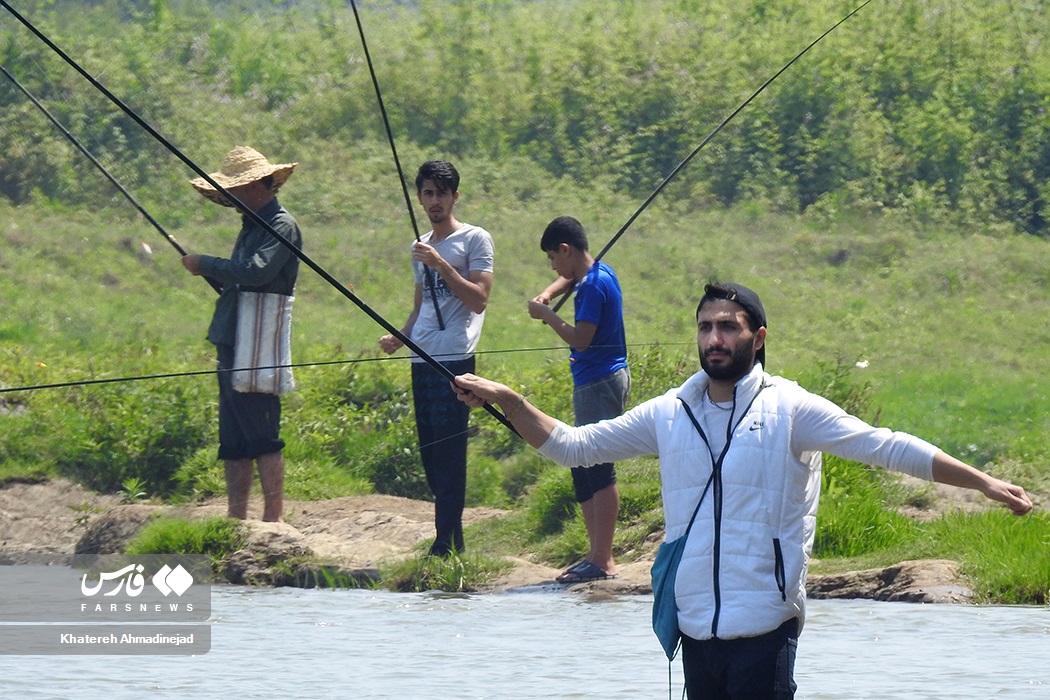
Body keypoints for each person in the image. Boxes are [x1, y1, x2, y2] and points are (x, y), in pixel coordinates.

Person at [452, 281, 1033, 699]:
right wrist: (511, 401)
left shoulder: (792, 408)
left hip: (765, 624)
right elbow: (573, 446)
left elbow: (886, 446)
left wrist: (982, 481)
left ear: (757, 338)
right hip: (694, 627)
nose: (715, 337)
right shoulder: (670, 411)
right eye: (706, 327)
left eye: (728, 326)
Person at [379, 160, 495, 556]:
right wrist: (400, 337)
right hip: (421, 356)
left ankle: (446, 540)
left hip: (455, 357)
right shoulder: (419, 246)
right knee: (429, 451)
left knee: (449, 450)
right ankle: (448, 537)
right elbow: (420, 307)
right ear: (419, 197)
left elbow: (479, 300)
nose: (434, 201)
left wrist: (442, 263)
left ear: (455, 196)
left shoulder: (475, 239)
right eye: (427, 193)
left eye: (441, 194)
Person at [181, 146, 301, 523]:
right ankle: (236, 520)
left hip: (258, 341)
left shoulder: (281, 225)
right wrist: (217, 272)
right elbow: (243, 277)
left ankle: (273, 521)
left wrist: (205, 264)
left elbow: (256, 272)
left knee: (263, 431)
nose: (230, 198)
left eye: (234, 189)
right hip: (233, 336)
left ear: (254, 186)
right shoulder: (250, 225)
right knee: (232, 439)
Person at [527, 216, 629, 583]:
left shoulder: (592, 287)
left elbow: (581, 340)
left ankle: (603, 559)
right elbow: (569, 278)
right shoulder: (596, 273)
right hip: (594, 381)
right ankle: (594, 554)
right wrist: (549, 294)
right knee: (582, 465)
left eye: (553, 258)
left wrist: (547, 315)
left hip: (600, 382)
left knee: (597, 466)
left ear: (565, 250)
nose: (553, 267)